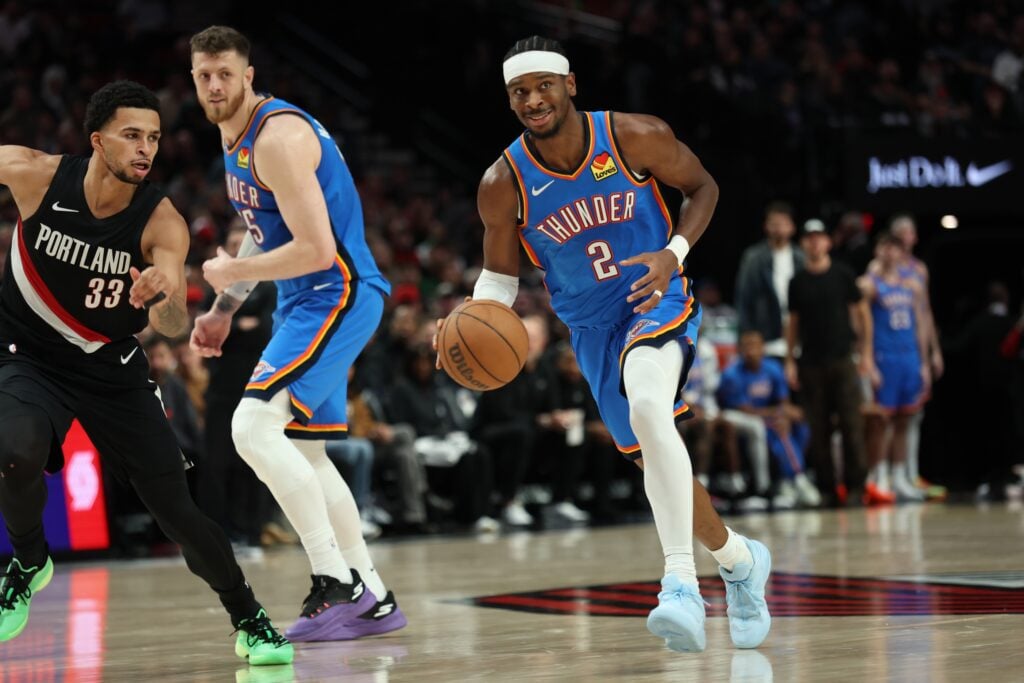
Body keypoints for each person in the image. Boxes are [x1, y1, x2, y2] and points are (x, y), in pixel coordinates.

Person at [446, 35, 771, 652]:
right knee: (654, 456)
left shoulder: (633, 137)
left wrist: (672, 254)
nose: (533, 100)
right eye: (520, 92)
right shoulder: (502, 181)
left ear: (570, 84)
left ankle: (679, 582)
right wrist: (471, 314)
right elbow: (500, 278)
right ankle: (739, 561)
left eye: (544, 85)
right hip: (591, 329)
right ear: (510, 101)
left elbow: (703, 188)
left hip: (655, 297)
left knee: (651, 409)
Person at [0, 80, 291, 665]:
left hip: (112, 366)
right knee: (14, 449)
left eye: (154, 138)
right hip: (28, 353)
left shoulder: (161, 221)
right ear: (97, 140)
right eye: (132, 135)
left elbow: (176, 323)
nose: (145, 149)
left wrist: (161, 295)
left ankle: (249, 618)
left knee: (177, 511)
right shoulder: (33, 173)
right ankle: (29, 560)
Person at [186, 26, 405, 642]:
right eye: (203, 76)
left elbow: (313, 249)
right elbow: (264, 224)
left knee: (250, 427)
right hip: (306, 299)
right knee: (306, 452)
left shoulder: (278, 137)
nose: (214, 86)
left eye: (225, 73)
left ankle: (336, 582)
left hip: (337, 291)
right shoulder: (235, 138)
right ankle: (374, 595)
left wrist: (232, 271)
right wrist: (227, 304)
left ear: (248, 74)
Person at [786, 219, 874, 507]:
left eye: (819, 237)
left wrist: (866, 353)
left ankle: (856, 487)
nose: (814, 242)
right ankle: (826, 489)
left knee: (852, 424)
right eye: (809, 238)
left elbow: (862, 313)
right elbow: (793, 323)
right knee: (819, 427)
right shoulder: (797, 282)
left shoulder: (843, 274)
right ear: (803, 244)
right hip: (811, 362)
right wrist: (790, 360)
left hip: (842, 359)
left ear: (827, 242)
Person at [858, 233, 931, 502]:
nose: (890, 252)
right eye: (884, 246)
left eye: (894, 248)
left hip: (909, 357)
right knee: (880, 421)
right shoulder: (869, 284)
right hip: (883, 357)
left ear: (902, 253)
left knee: (905, 419)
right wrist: (866, 358)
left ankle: (901, 476)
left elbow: (922, 323)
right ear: (877, 250)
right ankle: (878, 474)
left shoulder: (913, 284)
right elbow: (859, 321)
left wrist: (924, 361)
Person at [718, 331, 820, 509]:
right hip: (745, 419)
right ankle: (797, 477)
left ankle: (787, 480)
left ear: (763, 348)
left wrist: (785, 413)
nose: (751, 350)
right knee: (777, 429)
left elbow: (783, 400)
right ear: (740, 350)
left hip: (768, 416)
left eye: (755, 345)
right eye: (747, 346)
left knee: (799, 425)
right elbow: (744, 409)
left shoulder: (772, 368)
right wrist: (777, 413)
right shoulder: (732, 374)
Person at [735, 201, 805, 364]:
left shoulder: (801, 258)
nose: (779, 228)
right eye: (774, 224)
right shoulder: (753, 258)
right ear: (766, 226)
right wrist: (747, 337)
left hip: (799, 339)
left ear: (792, 227)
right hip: (766, 340)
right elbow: (744, 299)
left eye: (783, 223)